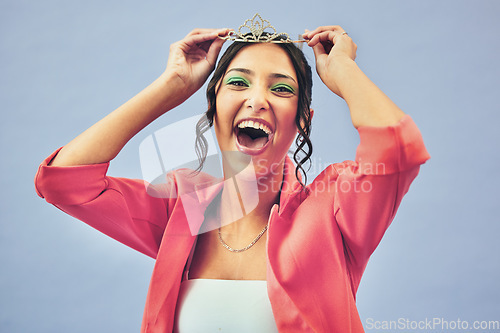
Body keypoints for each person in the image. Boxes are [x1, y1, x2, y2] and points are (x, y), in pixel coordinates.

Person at [35, 14, 430, 333]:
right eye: (238, 83)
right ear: (213, 110)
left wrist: (342, 68)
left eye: (281, 89)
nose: (256, 99)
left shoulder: (333, 210)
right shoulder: (179, 209)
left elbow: (398, 150)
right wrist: (171, 85)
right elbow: (64, 182)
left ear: (303, 123)